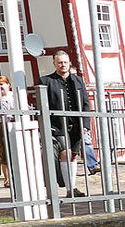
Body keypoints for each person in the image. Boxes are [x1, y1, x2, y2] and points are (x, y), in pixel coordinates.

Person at [38, 51, 91, 198]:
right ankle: (70, 188)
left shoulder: (78, 80)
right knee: (65, 154)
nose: (63, 65)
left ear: (69, 63)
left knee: (73, 155)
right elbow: (43, 105)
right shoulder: (46, 81)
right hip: (58, 124)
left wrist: (86, 123)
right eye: (60, 62)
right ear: (54, 63)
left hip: (76, 123)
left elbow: (85, 103)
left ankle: (72, 187)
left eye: (65, 62)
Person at [0, 75, 16, 188]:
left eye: (2, 84)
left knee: (16, 150)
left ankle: (16, 176)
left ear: (8, 84)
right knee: (4, 152)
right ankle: (7, 179)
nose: (0, 86)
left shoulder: (15, 96)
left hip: (14, 124)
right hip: (2, 126)